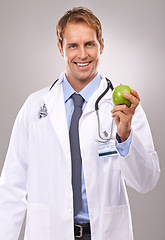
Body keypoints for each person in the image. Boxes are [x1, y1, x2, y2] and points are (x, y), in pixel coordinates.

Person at [0, 6, 160, 240]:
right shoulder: (35, 107)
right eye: (73, 45)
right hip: (49, 233)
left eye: (89, 44)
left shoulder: (125, 107)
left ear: (101, 45)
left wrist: (125, 136)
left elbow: (146, 181)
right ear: (60, 48)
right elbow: (11, 187)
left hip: (105, 233)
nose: (82, 55)